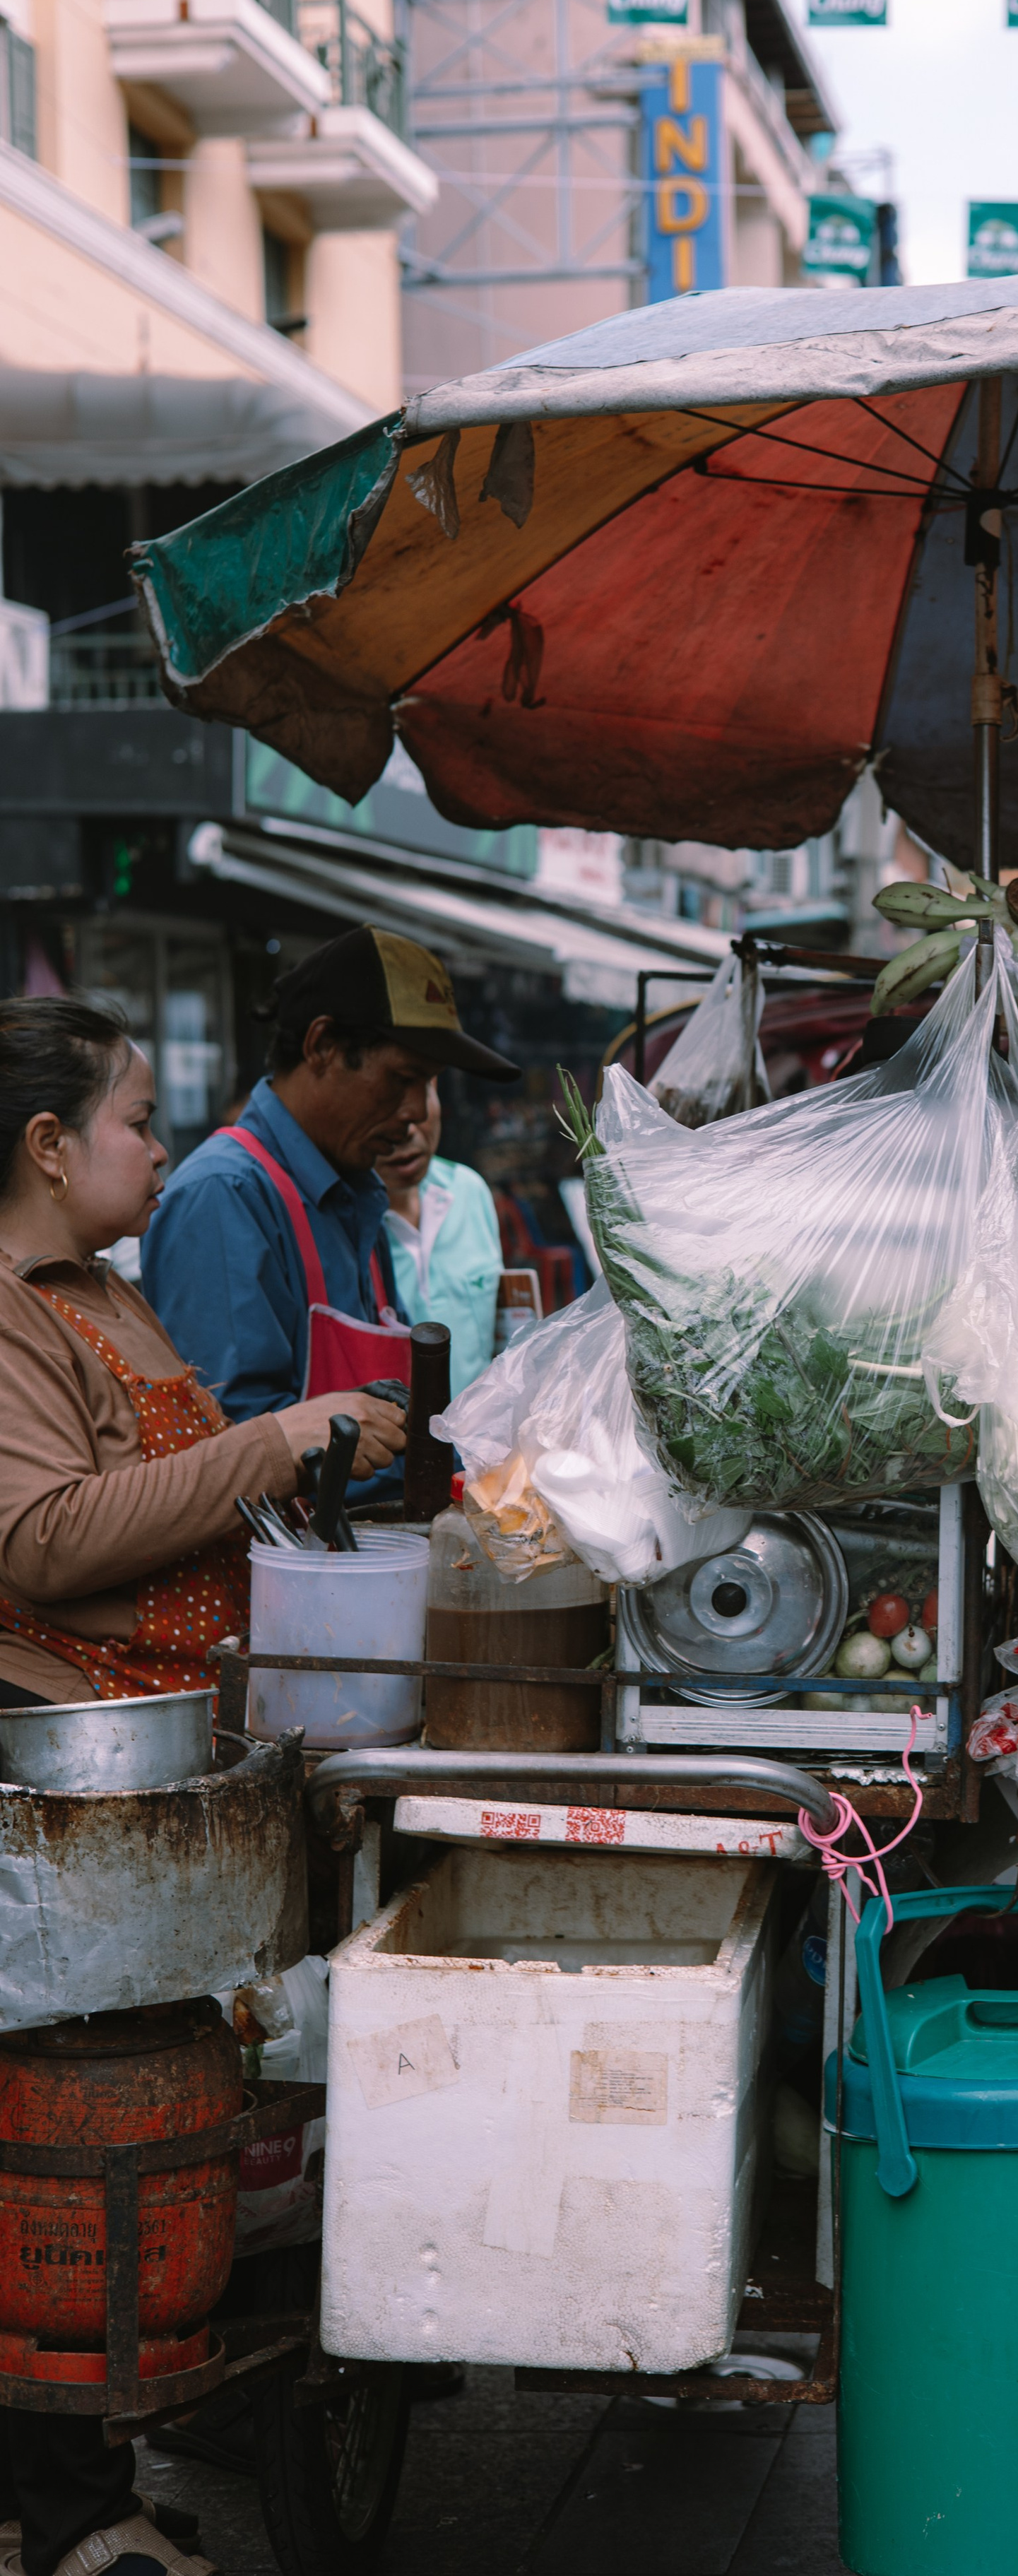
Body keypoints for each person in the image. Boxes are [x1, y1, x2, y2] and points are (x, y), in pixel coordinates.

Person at [0, 998, 403, 2572]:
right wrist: (277, 1441)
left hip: (175, 1764)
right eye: (134, 1121)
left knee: (184, 2097)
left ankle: (144, 2423)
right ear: (47, 1146)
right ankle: (70, 2502)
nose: (162, 1151)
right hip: (77, 1780)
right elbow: (39, 1538)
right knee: (70, 2126)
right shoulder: (14, 1311)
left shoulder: (105, 1291)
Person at [142, 928, 518, 1467]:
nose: (416, 1110)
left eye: (428, 1084)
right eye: (401, 1078)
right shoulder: (224, 1198)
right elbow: (225, 1448)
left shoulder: (356, 1192)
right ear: (322, 1047)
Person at [372, 1079, 504, 1400]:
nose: (406, 1132)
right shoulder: (348, 1221)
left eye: (417, 1096)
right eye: (384, 1105)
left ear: (434, 1089)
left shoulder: (469, 1191)